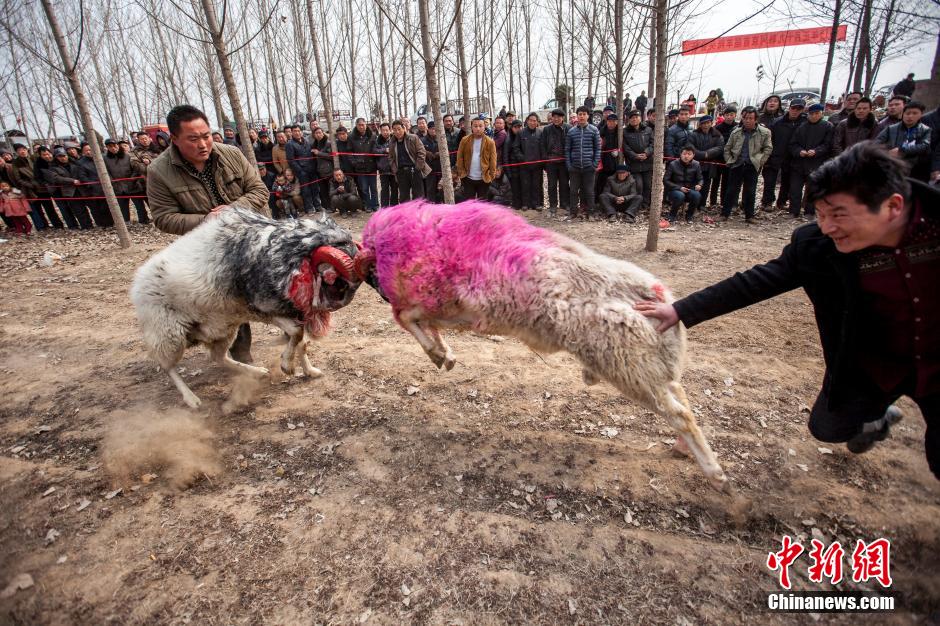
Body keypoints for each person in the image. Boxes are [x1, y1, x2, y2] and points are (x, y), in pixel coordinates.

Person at [636, 142, 940, 480]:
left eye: (839, 215)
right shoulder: (818, 247)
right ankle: (877, 416)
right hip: (874, 364)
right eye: (821, 215)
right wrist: (679, 310)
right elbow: (753, 283)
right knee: (828, 427)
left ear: (892, 206)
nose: (827, 228)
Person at [146, 105, 268, 364]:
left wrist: (232, 210)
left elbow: (259, 191)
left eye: (207, 135)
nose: (203, 144)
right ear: (175, 139)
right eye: (193, 138)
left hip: (250, 236)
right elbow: (164, 218)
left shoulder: (231, 154)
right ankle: (238, 352)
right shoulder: (159, 171)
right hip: (209, 248)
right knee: (230, 299)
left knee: (263, 291)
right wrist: (207, 220)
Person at [721, 106, 772, 223]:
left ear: (756, 119)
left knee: (750, 191)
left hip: (752, 165)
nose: (748, 120)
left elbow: (768, 149)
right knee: (731, 191)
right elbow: (727, 148)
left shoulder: (764, 132)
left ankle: (749, 216)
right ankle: (725, 214)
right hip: (736, 164)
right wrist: (729, 160)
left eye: (750, 118)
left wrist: (760, 161)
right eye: (745, 118)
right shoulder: (736, 132)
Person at [788, 103, 834, 218]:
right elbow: (793, 144)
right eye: (811, 114)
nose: (814, 116)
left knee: (813, 189)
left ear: (821, 114)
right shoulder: (802, 127)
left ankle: (809, 211)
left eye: (817, 113)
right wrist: (799, 151)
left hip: (817, 163)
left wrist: (817, 151)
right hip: (799, 163)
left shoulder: (828, 126)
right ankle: (794, 211)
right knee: (795, 188)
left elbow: (828, 144)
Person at [761, 99, 806, 212]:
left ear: (803, 110)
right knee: (770, 181)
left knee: (787, 181)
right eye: (793, 108)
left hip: (792, 157)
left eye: (798, 109)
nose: (795, 111)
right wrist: (767, 155)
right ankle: (767, 202)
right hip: (775, 155)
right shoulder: (777, 122)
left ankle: (781, 202)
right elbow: (768, 139)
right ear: (789, 108)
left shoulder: (804, 123)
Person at [876, 101, 931, 181]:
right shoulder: (891, 129)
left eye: (915, 113)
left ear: (921, 115)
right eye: (907, 113)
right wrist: (886, 152)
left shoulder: (925, 130)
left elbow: (924, 146)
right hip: (892, 166)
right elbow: (876, 143)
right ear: (903, 114)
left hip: (914, 169)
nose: (910, 116)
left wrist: (902, 150)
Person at [564, 105, 601, 221]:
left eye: (584, 114)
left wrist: (594, 164)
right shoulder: (571, 131)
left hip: (589, 167)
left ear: (588, 116)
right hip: (574, 167)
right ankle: (573, 212)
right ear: (577, 116)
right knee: (574, 191)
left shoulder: (594, 130)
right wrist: (569, 165)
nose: (582, 116)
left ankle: (590, 213)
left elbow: (597, 149)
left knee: (589, 191)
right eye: (580, 114)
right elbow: (567, 149)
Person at [44, 147, 93, 229]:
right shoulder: (53, 168)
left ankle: (97, 223)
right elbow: (56, 178)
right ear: (56, 158)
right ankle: (86, 226)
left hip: (82, 189)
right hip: (70, 191)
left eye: (64, 155)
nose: (63, 158)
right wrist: (72, 181)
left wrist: (82, 180)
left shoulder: (75, 163)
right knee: (79, 210)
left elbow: (82, 173)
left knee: (92, 207)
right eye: (60, 156)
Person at [104, 138, 149, 224]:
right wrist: (112, 181)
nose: (113, 148)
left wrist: (132, 178)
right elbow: (106, 172)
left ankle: (144, 220)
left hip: (133, 184)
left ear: (118, 146)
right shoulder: (105, 159)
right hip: (118, 186)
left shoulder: (128, 156)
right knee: (122, 206)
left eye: (114, 146)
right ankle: (126, 221)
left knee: (139, 205)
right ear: (107, 148)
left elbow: (136, 168)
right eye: (110, 147)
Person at [455, 117, 498, 200]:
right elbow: (459, 157)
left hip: (484, 178)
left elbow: (493, 160)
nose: (478, 128)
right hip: (468, 177)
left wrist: (491, 175)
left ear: (484, 126)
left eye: (480, 126)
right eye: (475, 126)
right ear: (471, 127)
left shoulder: (490, 142)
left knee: (482, 202)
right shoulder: (464, 140)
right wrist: (461, 173)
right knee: (469, 202)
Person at [388, 120, 430, 202]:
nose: (397, 132)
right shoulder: (392, 142)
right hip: (401, 172)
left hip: (414, 170)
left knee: (418, 195)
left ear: (404, 128)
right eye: (395, 129)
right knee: (404, 197)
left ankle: (419, 213)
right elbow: (390, 157)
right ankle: (406, 214)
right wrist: (395, 169)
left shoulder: (413, 138)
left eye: (399, 129)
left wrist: (418, 167)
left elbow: (421, 152)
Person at [688, 115, 724, 208]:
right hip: (696, 163)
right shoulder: (694, 134)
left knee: (706, 185)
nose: (705, 125)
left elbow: (720, 148)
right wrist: (703, 154)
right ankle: (693, 204)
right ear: (700, 124)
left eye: (708, 123)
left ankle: (702, 204)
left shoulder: (717, 135)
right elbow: (690, 147)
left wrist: (709, 153)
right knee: (694, 184)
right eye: (703, 123)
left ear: (711, 123)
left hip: (710, 165)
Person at [622, 110, 654, 211]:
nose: (634, 119)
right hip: (634, 164)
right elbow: (625, 147)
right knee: (638, 185)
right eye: (632, 117)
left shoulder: (648, 130)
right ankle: (637, 204)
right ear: (628, 119)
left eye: (636, 117)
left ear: (640, 118)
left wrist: (647, 153)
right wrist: (635, 155)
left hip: (647, 162)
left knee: (648, 185)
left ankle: (646, 204)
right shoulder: (625, 131)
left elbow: (652, 144)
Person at [540, 109, 569, 217]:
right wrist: (545, 159)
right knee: (551, 185)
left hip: (564, 162)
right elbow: (542, 145)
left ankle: (564, 204)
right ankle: (553, 205)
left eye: (559, 117)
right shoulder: (547, 129)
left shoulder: (568, 128)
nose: (556, 119)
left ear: (563, 118)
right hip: (551, 161)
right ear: (551, 118)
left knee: (564, 184)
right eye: (554, 117)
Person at [664, 145, 704, 224]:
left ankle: (689, 215)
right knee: (680, 195)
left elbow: (700, 178)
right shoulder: (673, 164)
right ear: (680, 154)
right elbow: (666, 180)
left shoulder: (696, 164)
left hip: (689, 189)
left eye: (689, 154)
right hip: (674, 190)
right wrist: (679, 188)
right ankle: (672, 215)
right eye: (684, 154)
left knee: (697, 195)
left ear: (693, 155)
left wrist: (699, 185)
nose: (686, 156)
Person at [349, 118, 379, 211]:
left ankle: (375, 205)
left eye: (363, 124)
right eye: (359, 125)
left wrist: (375, 163)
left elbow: (376, 150)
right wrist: (355, 163)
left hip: (371, 166)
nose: (361, 127)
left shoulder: (372, 136)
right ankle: (368, 205)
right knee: (364, 188)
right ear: (356, 126)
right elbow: (349, 152)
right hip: (360, 168)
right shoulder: (352, 137)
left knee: (373, 188)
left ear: (366, 125)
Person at [32, 147, 65, 228]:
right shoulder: (38, 164)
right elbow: (38, 177)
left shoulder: (56, 160)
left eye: (48, 154)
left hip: (61, 186)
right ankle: (57, 224)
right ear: (40, 156)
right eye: (44, 155)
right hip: (48, 188)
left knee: (64, 205)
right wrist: (46, 184)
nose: (47, 156)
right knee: (51, 208)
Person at [286, 125, 317, 212]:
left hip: (312, 169)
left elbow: (311, 155)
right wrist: (300, 171)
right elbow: (291, 160)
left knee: (315, 188)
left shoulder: (306, 141)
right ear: (292, 132)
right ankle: (309, 208)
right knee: (305, 190)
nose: (297, 132)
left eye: (299, 130)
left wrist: (314, 166)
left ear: (301, 131)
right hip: (302, 171)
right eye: (295, 131)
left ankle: (317, 206)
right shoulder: (289, 144)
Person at [502, 119, 525, 209]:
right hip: (512, 168)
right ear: (512, 128)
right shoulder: (508, 139)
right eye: (515, 127)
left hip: (522, 168)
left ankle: (523, 204)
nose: (518, 129)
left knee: (523, 186)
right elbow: (505, 156)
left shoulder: (522, 136)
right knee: (515, 188)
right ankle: (516, 205)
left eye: (519, 127)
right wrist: (508, 171)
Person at [597, 114, 621, 199]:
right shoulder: (601, 132)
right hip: (603, 161)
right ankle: (600, 199)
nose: (611, 123)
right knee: (602, 182)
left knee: (614, 182)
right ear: (606, 122)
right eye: (609, 121)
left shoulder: (620, 132)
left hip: (616, 161)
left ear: (617, 122)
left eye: (613, 122)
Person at [374, 122, 398, 207]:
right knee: (384, 189)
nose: (385, 132)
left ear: (390, 130)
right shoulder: (377, 140)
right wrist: (385, 150)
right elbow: (375, 151)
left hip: (394, 168)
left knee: (394, 188)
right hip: (383, 169)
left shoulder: (395, 139)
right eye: (383, 130)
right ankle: (384, 207)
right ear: (380, 131)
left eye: (387, 130)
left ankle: (394, 206)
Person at [310, 127, 334, 209]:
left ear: (323, 133)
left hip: (329, 170)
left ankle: (332, 207)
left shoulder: (328, 143)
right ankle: (326, 207)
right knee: (323, 191)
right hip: (319, 171)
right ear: (314, 135)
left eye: (320, 132)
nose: (318, 135)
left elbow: (332, 156)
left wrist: (319, 153)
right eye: (316, 133)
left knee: (330, 190)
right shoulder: (314, 144)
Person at [421, 121, 442, 202]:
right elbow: (419, 151)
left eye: (435, 129)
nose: (433, 130)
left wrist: (438, 154)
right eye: (431, 129)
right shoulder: (422, 140)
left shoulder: (441, 139)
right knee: (430, 190)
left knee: (440, 190)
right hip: (428, 169)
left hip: (440, 169)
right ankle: (430, 207)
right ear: (428, 129)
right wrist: (426, 153)